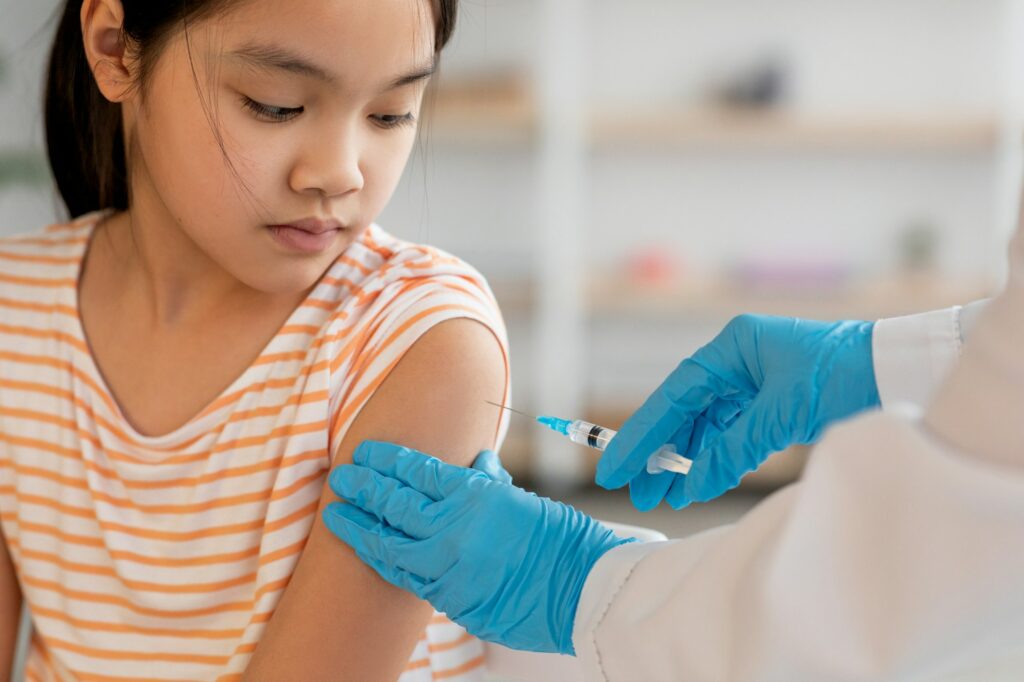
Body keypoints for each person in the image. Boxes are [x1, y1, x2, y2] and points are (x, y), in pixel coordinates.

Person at [0, 0, 511, 680]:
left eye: (390, 113)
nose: (341, 172)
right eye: (276, 105)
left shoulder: (420, 339)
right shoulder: (15, 308)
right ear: (117, 48)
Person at [324, 220, 1024, 678]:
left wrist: (588, 585)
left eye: (391, 114)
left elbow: (906, 590)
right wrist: (891, 359)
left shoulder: (429, 331)